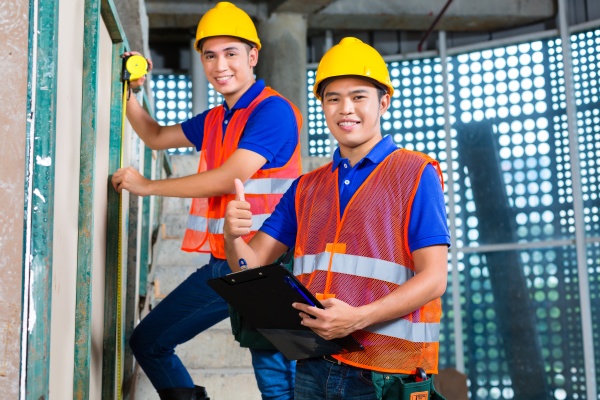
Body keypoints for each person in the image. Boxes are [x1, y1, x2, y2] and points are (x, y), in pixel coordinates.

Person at [223, 37, 450, 399]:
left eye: (358, 96)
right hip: (314, 365)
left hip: (384, 374)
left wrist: (357, 318)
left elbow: (435, 279)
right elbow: (248, 266)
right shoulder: (306, 188)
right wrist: (233, 238)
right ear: (323, 107)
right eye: (333, 98)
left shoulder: (415, 172)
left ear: (383, 102)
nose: (346, 108)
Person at [111, 2, 301, 399]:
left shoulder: (273, 112)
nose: (220, 65)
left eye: (231, 53)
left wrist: (147, 186)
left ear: (252, 56)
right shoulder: (217, 118)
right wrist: (129, 88)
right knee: (149, 342)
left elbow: (227, 178)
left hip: (269, 268)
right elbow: (156, 137)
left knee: (279, 386)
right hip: (224, 264)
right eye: (210, 55)